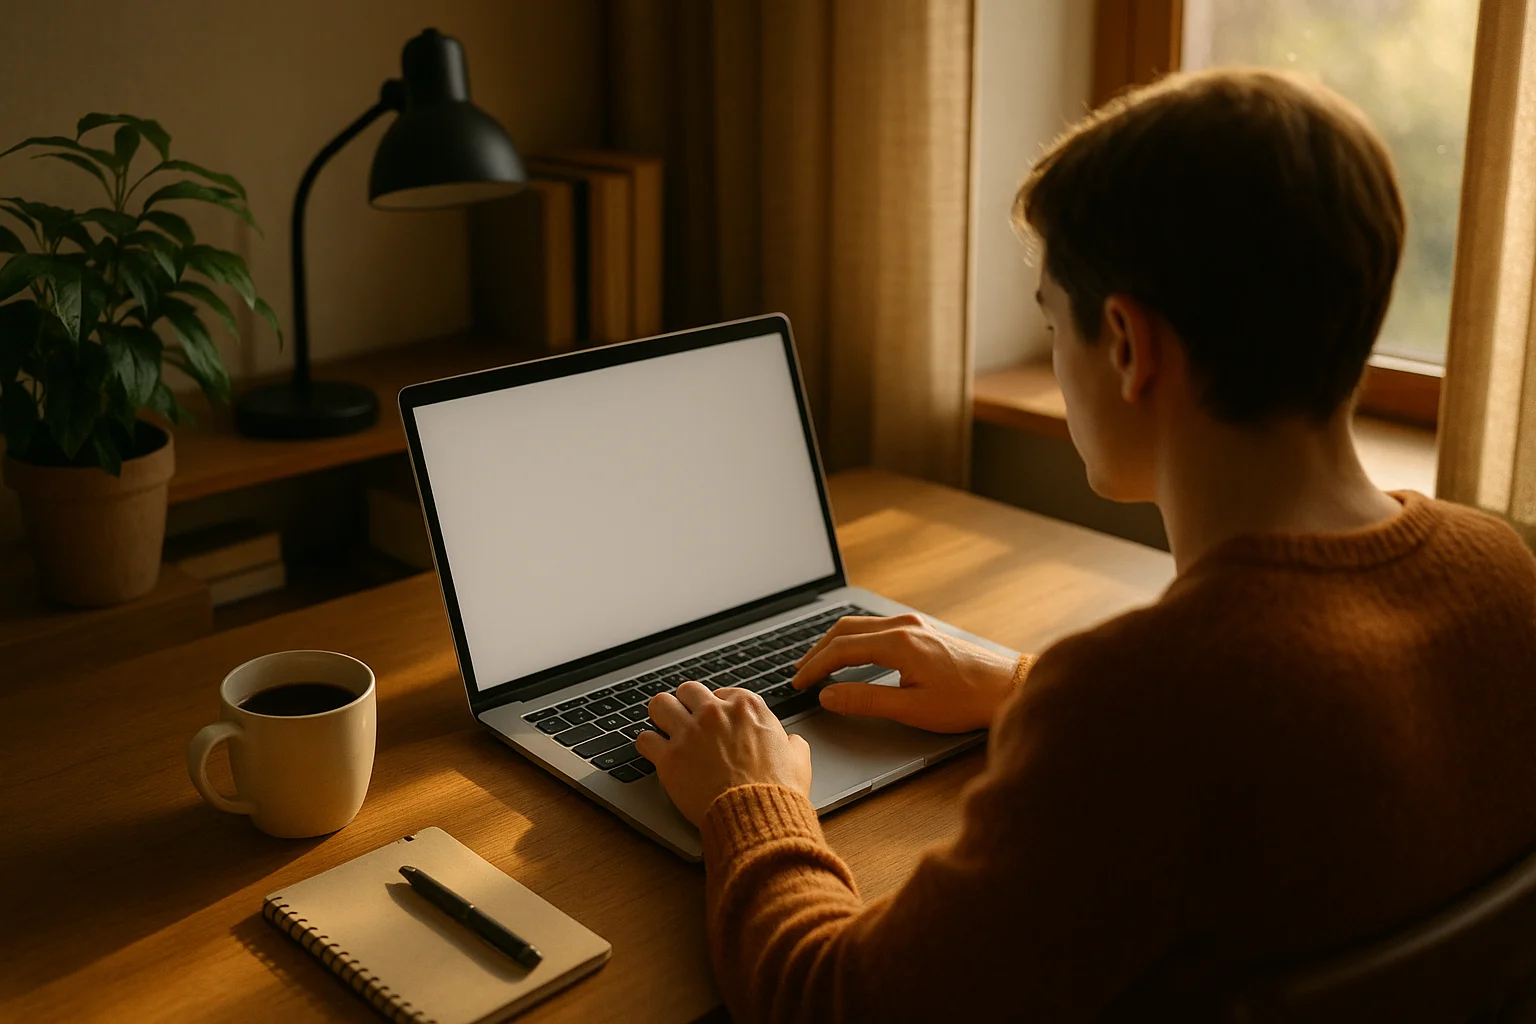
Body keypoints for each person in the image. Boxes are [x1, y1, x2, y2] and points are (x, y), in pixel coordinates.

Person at [632, 67, 1536, 1021]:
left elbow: (831, 1001)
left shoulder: (1138, 710)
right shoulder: (1503, 574)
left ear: (1130, 346)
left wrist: (749, 797)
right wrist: (1023, 686)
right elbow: (1279, 750)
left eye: (1052, 323)